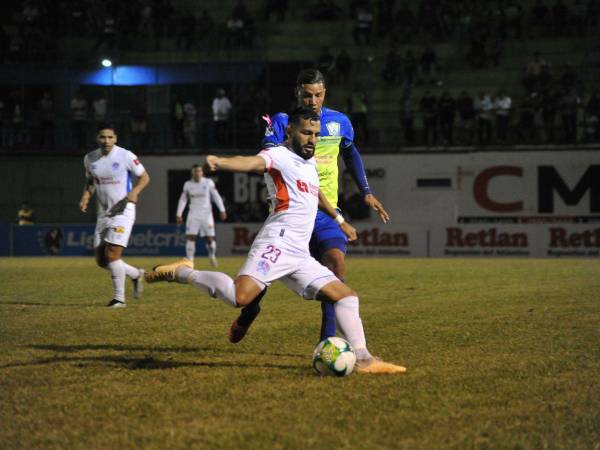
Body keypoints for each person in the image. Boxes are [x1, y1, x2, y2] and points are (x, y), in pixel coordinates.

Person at [145, 107, 405, 374]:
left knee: (346, 297)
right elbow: (251, 163)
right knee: (239, 297)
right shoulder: (278, 155)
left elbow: (316, 196)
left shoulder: (310, 164)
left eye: (315, 134)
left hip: (299, 254)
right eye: (306, 133)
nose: (312, 139)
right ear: (290, 131)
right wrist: (220, 162)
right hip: (277, 243)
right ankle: (183, 272)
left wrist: (340, 221)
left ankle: (363, 358)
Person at [229, 68, 390, 344]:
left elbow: (351, 153)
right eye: (306, 95)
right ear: (298, 94)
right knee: (264, 276)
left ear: (325, 93)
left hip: (327, 212)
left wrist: (366, 191)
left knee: (336, 266)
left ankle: (327, 342)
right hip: (291, 210)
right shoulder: (283, 122)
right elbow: (268, 156)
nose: (312, 101)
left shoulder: (340, 122)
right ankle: (250, 309)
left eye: (317, 95)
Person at [79, 124, 150, 308]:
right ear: (97, 139)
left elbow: (144, 177)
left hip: (123, 211)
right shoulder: (90, 159)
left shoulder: (126, 155)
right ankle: (136, 274)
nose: (106, 141)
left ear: (115, 138)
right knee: (101, 260)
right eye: (103, 137)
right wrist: (86, 196)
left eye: (110, 137)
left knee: (112, 254)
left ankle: (119, 299)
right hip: (103, 213)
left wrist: (135, 191)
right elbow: (90, 181)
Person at [176, 164, 227, 267]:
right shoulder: (188, 184)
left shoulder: (208, 183)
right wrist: (179, 213)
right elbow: (183, 199)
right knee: (191, 237)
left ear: (202, 172)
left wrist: (222, 210)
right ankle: (190, 261)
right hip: (193, 214)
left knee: (209, 240)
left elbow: (216, 196)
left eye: (199, 171)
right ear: (192, 173)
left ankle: (212, 255)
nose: (197, 173)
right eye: (195, 171)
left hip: (206, 215)